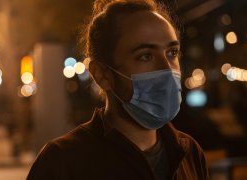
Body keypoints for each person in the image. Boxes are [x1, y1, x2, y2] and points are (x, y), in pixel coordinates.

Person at [27, 0, 209, 179]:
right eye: (145, 56)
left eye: (172, 53)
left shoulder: (189, 152)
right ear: (102, 75)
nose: (167, 69)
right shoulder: (62, 162)